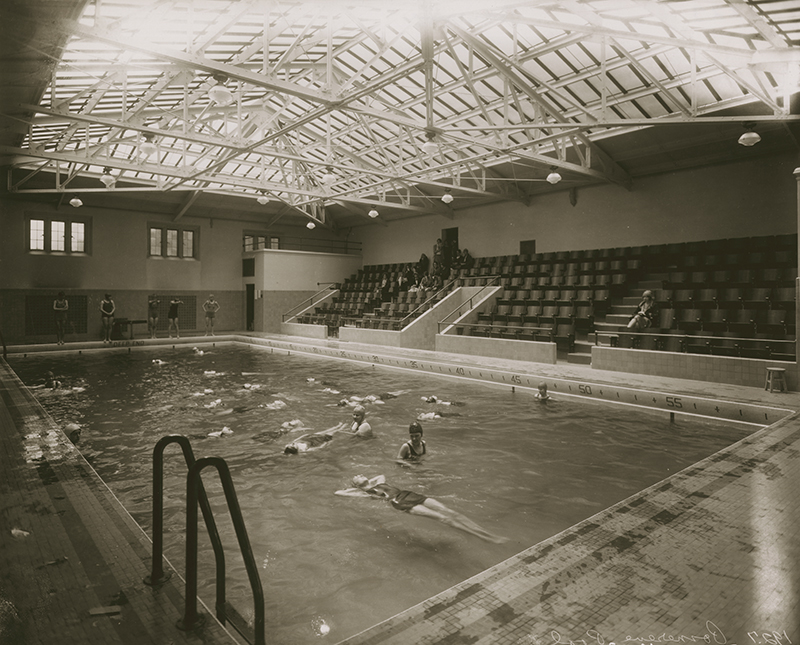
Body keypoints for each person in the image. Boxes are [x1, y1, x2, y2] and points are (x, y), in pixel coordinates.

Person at [335, 475, 507, 543]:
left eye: (359, 474)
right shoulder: (365, 493)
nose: (359, 475)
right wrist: (359, 488)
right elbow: (339, 493)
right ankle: (482, 537)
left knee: (451, 512)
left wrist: (366, 482)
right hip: (399, 502)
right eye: (355, 477)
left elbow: (380, 474)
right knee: (443, 519)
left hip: (409, 494)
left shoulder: (378, 481)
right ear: (355, 485)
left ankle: (484, 532)